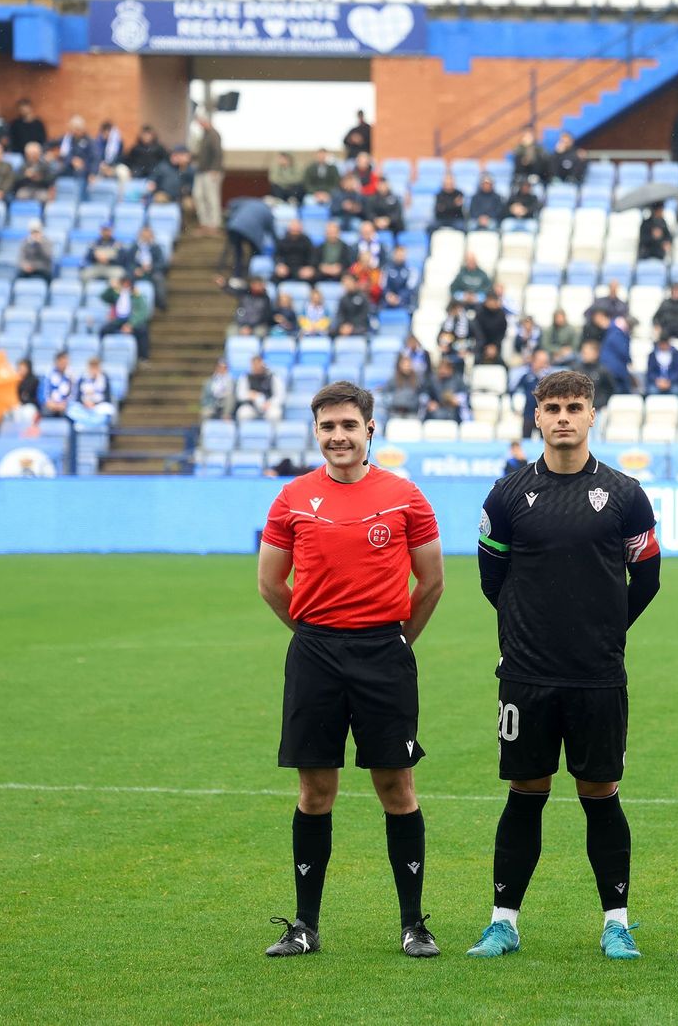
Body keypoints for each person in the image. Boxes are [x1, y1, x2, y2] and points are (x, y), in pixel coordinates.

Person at [465, 369, 661, 961]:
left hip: (598, 675)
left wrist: (603, 632)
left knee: (600, 790)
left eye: (574, 406)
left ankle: (617, 924)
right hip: (525, 676)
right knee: (527, 790)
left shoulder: (626, 494)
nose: (563, 417)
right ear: (537, 417)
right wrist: (530, 633)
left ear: (592, 414)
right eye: (552, 407)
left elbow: (647, 579)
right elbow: (490, 578)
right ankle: (503, 922)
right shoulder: (506, 495)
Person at [257, 382, 444, 960]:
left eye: (348, 425)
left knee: (396, 786)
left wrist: (393, 642)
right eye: (327, 426)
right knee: (315, 790)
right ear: (317, 432)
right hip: (315, 654)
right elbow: (269, 582)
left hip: (384, 655)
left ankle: (414, 924)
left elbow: (431, 581)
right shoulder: (292, 497)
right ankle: (305, 926)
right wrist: (315, 636)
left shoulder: (405, 496)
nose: (338, 435)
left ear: (369, 430)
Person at [192, 114, 224, 234]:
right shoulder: (204, 135)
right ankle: (204, 222)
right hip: (201, 170)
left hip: (211, 171)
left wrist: (215, 169)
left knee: (212, 198)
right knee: (199, 196)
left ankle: (214, 224)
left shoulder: (214, 134)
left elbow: (218, 153)